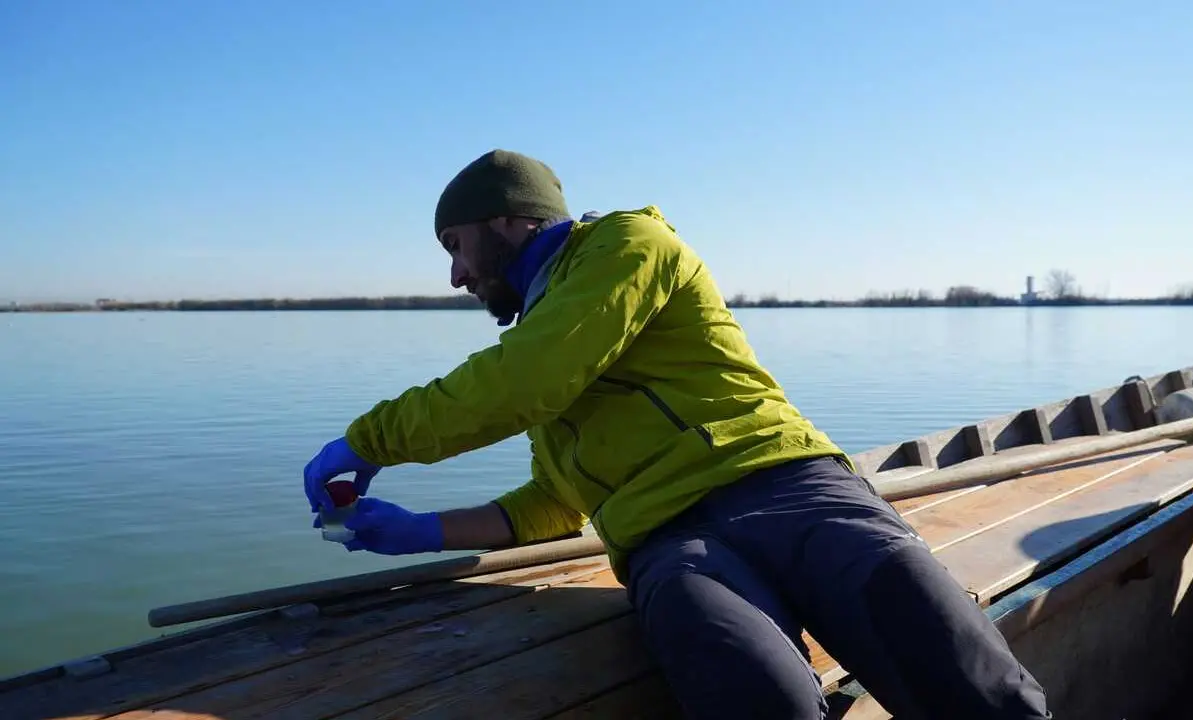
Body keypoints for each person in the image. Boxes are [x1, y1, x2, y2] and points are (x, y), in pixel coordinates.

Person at [302, 149, 1052, 719]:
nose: (458, 276)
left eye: (455, 245)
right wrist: (417, 532)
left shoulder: (627, 245)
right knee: (761, 697)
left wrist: (367, 442)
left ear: (509, 219)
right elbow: (554, 506)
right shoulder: (544, 344)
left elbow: (525, 379)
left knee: (965, 673)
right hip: (672, 546)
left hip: (796, 492)